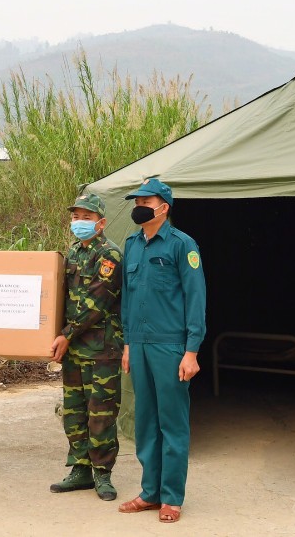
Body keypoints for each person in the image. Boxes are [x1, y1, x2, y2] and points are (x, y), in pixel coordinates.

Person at [116, 178, 205, 525]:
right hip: (138, 344)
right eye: (136, 200)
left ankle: (171, 497)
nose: (139, 205)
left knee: (172, 422)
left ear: (163, 207)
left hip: (171, 346)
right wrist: (127, 343)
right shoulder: (132, 245)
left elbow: (196, 300)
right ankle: (149, 492)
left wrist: (191, 351)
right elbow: (126, 298)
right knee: (145, 422)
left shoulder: (183, 245)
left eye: (145, 200)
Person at [48, 192, 123, 502]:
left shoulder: (110, 255)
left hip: (101, 350)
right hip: (75, 351)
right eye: (76, 217)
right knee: (74, 411)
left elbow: (96, 302)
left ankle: (102, 474)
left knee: (101, 412)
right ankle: (80, 468)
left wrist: (65, 334)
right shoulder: (74, 253)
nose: (79, 222)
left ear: (101, 222)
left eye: (86, 218)